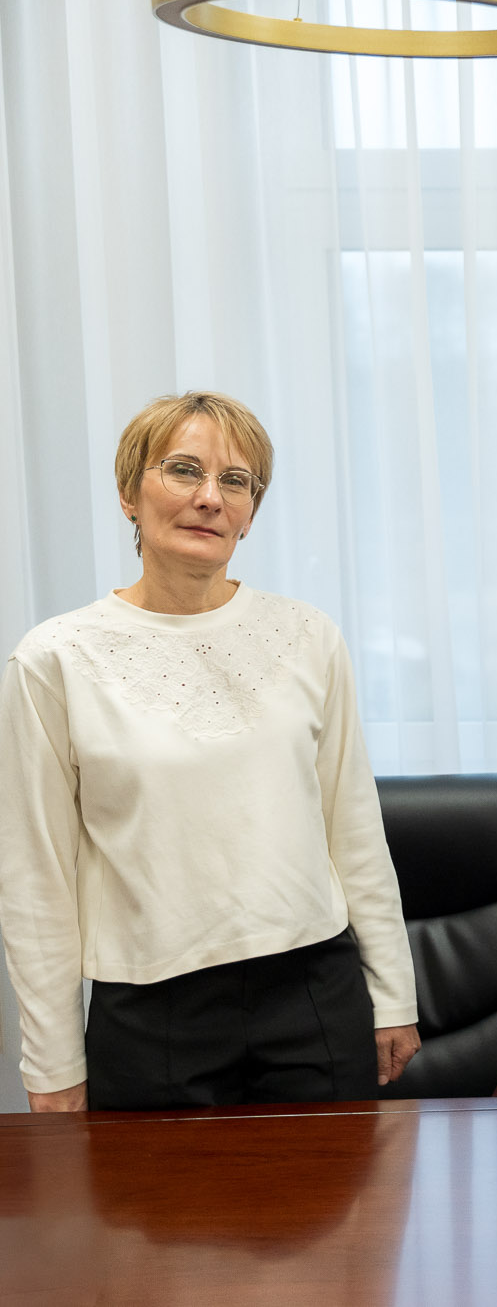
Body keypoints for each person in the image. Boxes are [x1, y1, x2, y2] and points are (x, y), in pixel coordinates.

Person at [0, 391, 419, 1111]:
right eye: (183, 470)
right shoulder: (55, 658)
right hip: (151, 1013)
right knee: (162, 1225)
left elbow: (351, 825)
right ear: (130, 493)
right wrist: (52, 1062)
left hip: (314, 995)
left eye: (235, 481)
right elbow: (34, 874)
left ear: (252, 511)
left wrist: (392, 995)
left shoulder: (307, 635)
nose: (208, 498)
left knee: (338, 1223)